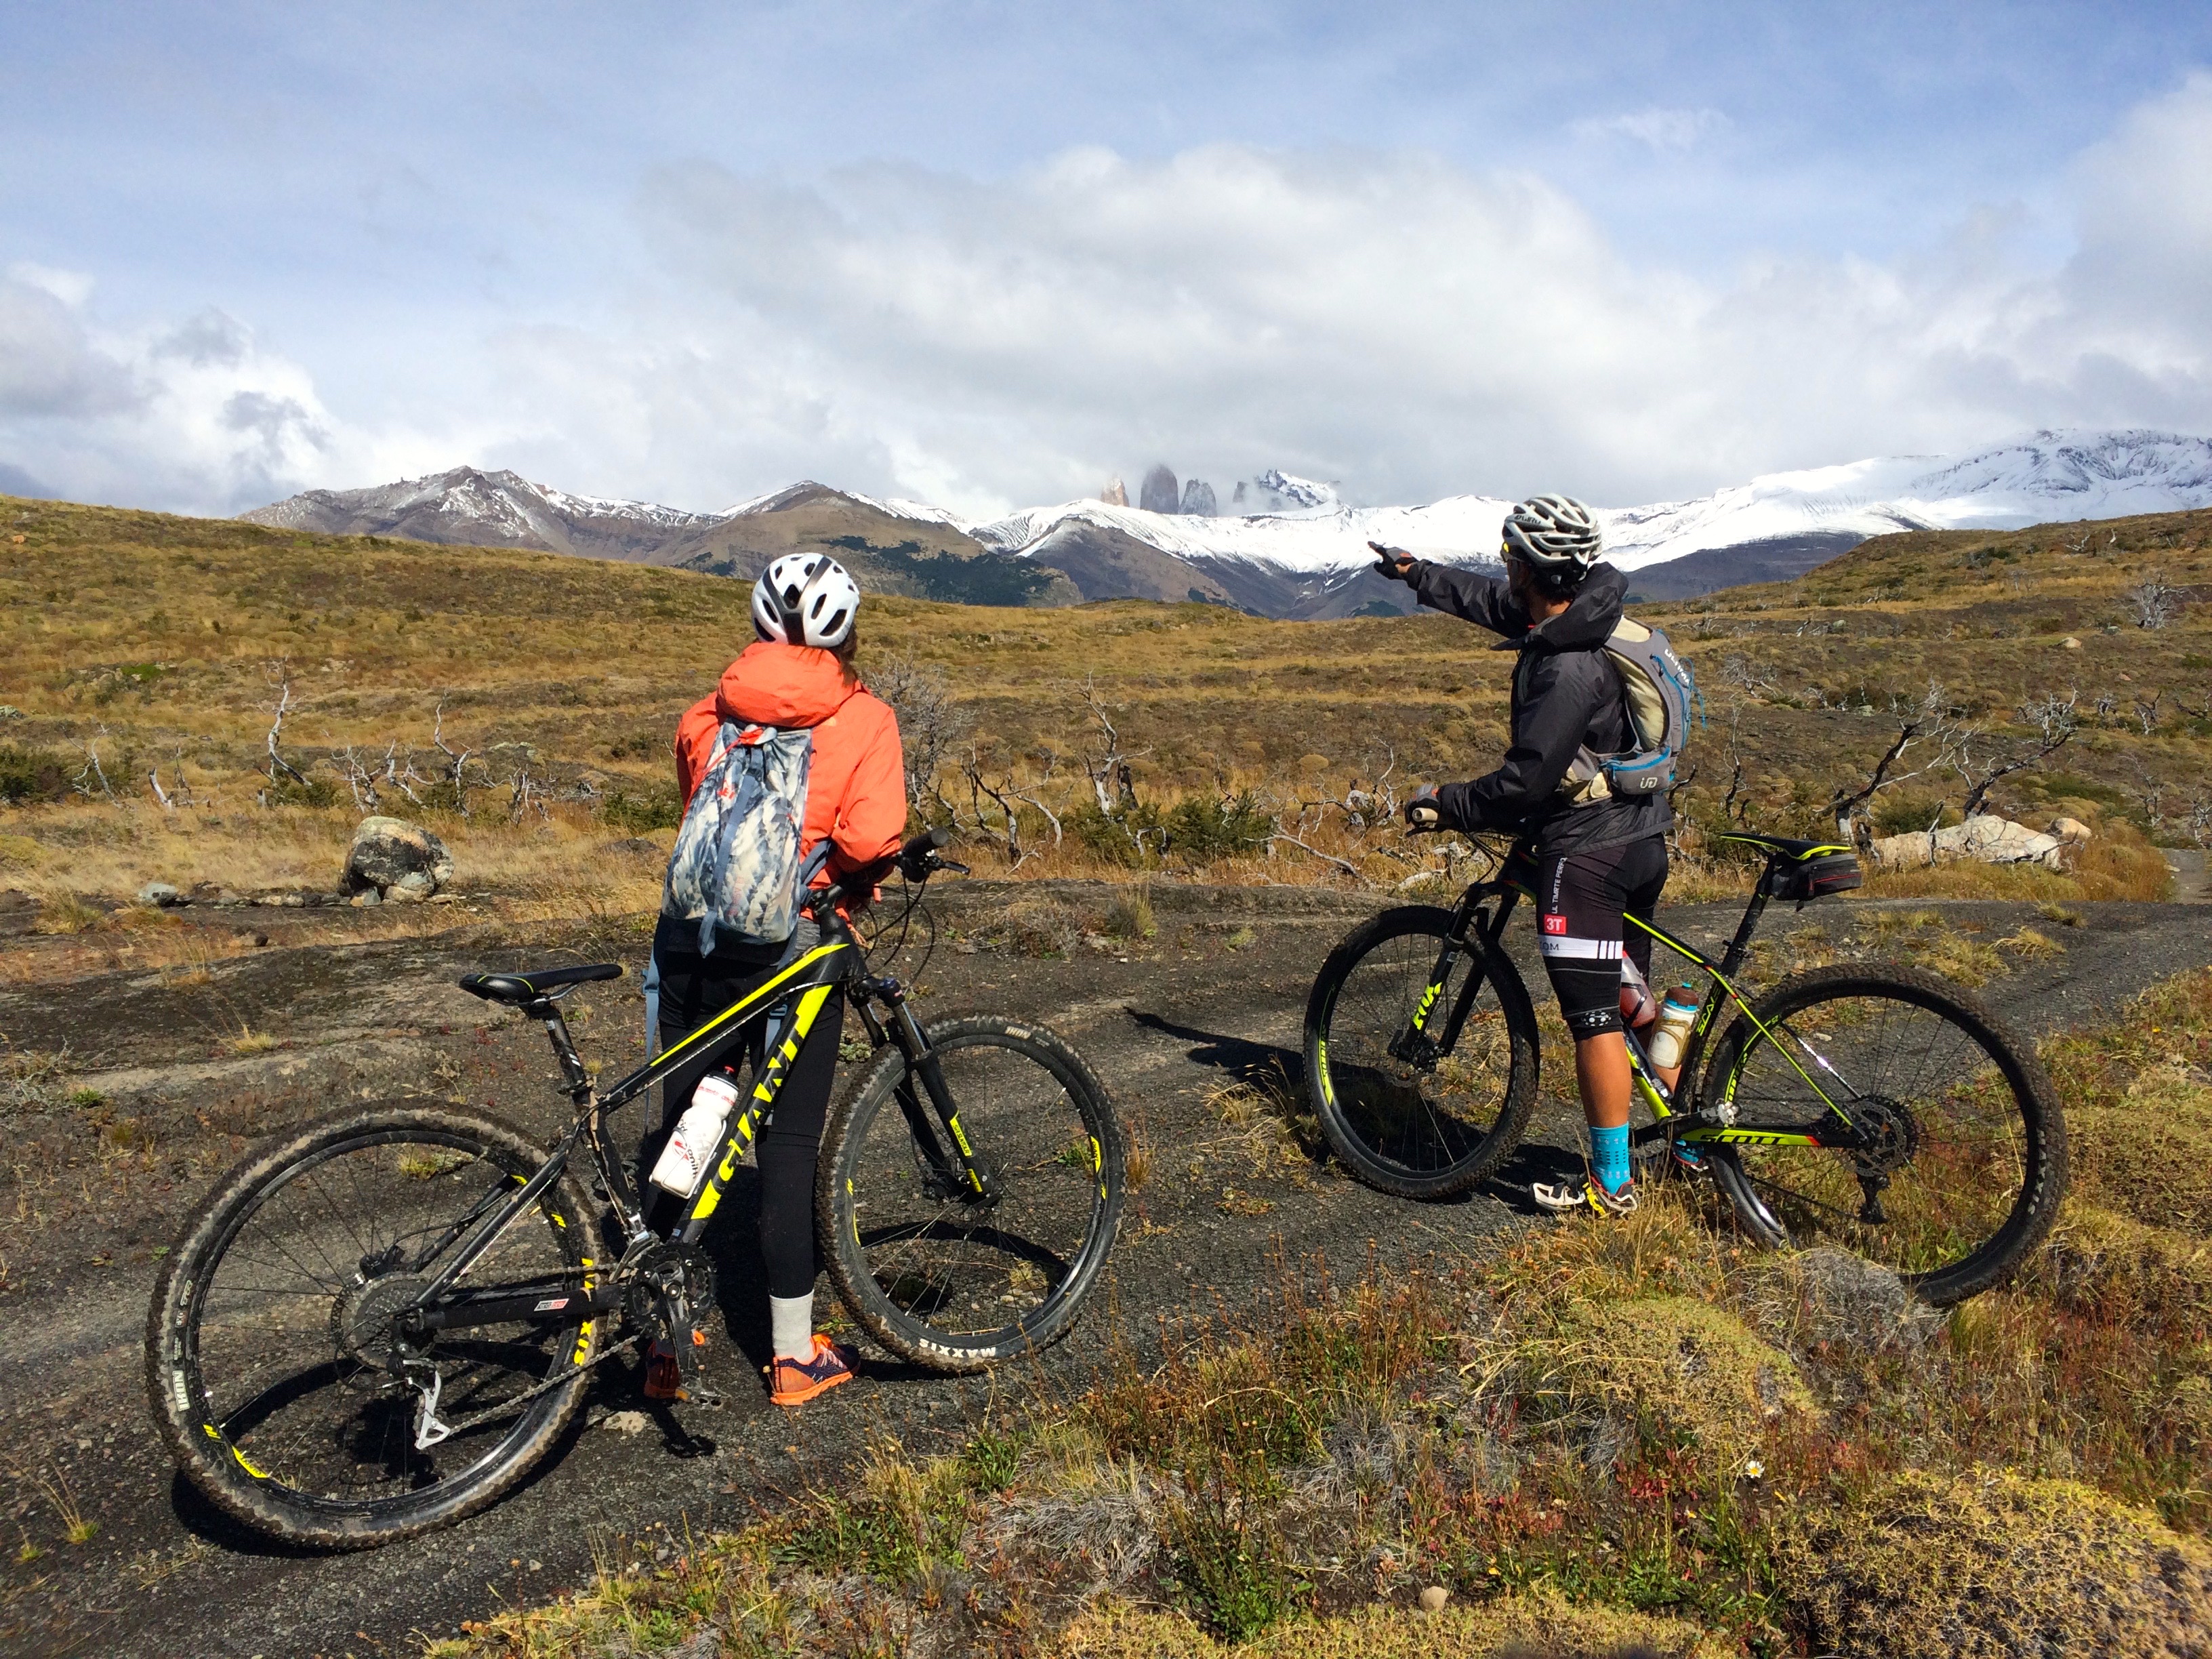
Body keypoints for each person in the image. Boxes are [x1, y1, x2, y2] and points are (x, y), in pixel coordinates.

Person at [1373, 495, 1681, 1217]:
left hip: (1589, 853)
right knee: (1630, 996)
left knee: (1595, 1019)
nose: (1503, 566)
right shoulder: (1583, 616)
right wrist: (1419, 575)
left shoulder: (1566, 664)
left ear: (1532, 567)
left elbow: (1525, 782)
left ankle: (1612, 1186)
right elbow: (1489, 601)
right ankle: (1690, 1132)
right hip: (1641, 838)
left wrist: (1445, 801)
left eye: (1510, 555)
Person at [644, 552, 907, 1403]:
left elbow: (694, 797)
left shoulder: (708, 710)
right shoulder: (865, 719)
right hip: (791, 949)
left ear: (759, 626)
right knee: (786, 1144)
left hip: (690, 942)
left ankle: (659, 1349)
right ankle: (792, 1359)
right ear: (846, 636)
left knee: (682, 1133)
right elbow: (869, 843)